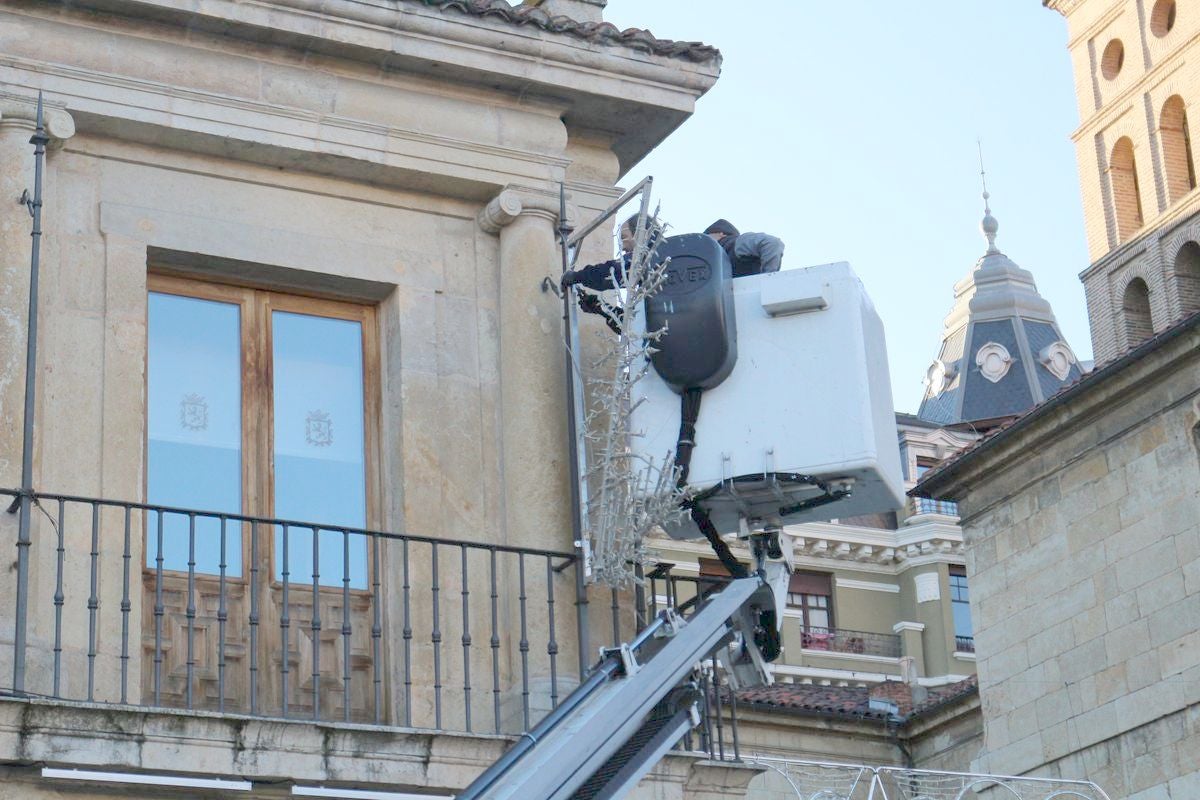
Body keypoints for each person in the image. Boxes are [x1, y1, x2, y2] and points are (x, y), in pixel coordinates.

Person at [702, 219, 784, 277]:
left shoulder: (735, 243)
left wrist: (768, 278)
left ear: (721, 234)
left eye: (707, 236)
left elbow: (771, 243)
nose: (704, 242)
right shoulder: (712, 260)